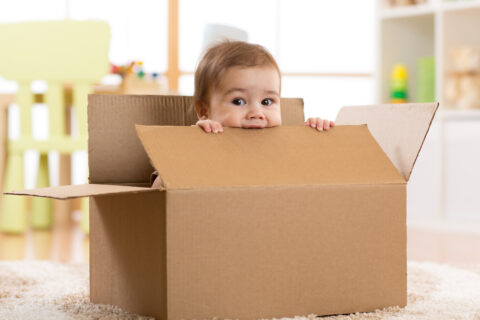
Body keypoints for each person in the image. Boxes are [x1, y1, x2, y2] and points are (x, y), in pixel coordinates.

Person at [193, 40, 334, 133]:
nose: (257, 113)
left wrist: (313, 132)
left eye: (266, 101)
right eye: (238, 101)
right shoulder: (203, 137)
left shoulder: (281, 141)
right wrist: (198, 135)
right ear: (204, 110)